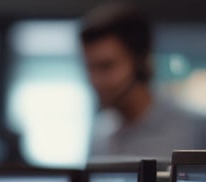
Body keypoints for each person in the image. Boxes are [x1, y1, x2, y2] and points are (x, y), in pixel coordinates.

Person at [80, 2, 206, 162]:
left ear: (140, 62)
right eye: (90, 68)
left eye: (107, 66)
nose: (95, 80)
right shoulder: (99, 136)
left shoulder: (195, 129)